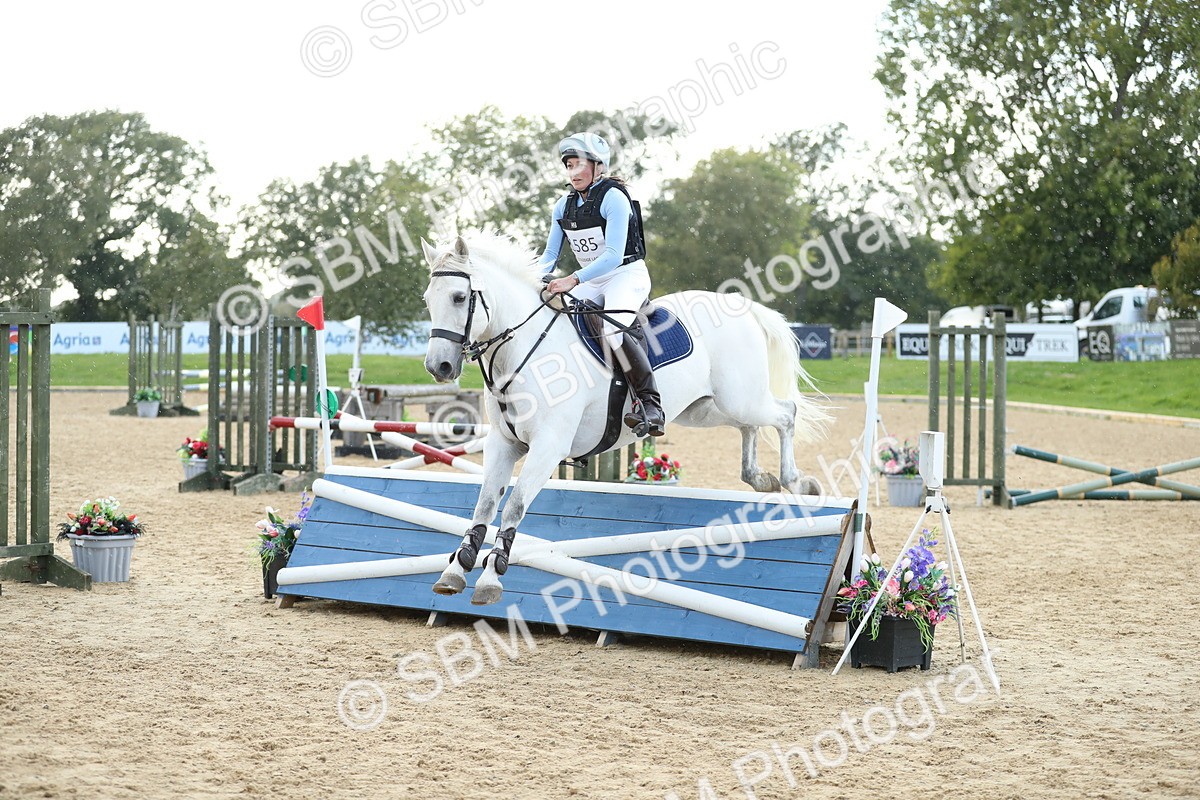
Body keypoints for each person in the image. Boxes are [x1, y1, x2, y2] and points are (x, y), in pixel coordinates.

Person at [538, 131, 665, 438]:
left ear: (598, 166)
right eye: (569, 165)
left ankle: (650, 404)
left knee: (611, 329)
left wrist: (572, 279)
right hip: (593, 280)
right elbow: (551, 254)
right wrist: (535, 278)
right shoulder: (563, 206)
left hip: (626, 274)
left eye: (579, 164)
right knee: (555, 317)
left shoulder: (614, 198)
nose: (573, 172)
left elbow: (612, 256)